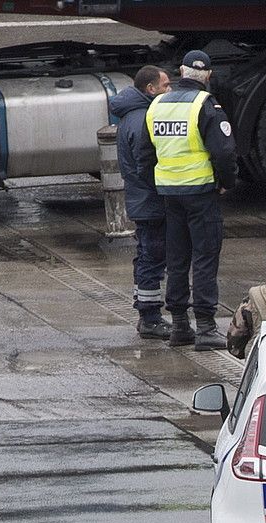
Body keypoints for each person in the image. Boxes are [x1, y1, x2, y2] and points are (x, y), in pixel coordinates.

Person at [139, 49, 238, 351]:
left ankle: (180, 326)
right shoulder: (205, 104)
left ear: (181, 73)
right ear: (207, 75)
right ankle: (206, 328)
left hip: (170, 195)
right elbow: (223, 152)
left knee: (177, 260)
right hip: (201, 193)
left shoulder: (156, 105)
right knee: (205, 259)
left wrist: (157, 185)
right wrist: (226, 184)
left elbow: (144, 156)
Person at [109, 65, 173, 340]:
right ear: (151, 89)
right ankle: (150, 318)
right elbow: (144, 162)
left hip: (141, 200)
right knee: (153, 258)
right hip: (150, 200)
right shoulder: (143, 118)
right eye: (166, 85)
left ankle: (146, 312)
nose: (170, 90)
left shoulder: (133, 115)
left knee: (146, 256)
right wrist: (164, 189)